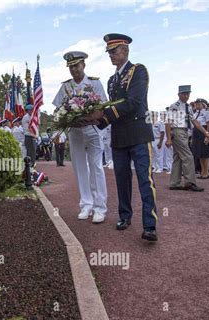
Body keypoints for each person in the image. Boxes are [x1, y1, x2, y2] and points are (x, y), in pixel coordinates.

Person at [85, 33, 158, 241]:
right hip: (119, 137)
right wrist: (93, 120)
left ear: (125, 51)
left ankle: (150, 225)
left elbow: (133, 101)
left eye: (114, 51)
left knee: (145, 180)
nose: (111, 56)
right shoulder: (111, 81)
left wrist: (103, 115)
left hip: (138, 133)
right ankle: (125, 216)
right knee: (122, 180)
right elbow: (110, 110)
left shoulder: (139, 71)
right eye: (108, 52)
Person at [52, 50, 108, 224]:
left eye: (77, 65)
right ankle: (86, 204)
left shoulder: (95, 83)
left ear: (84, 64)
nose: (74, 70)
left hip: (92, 130)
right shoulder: (65, 87)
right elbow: (58, 111)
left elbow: (102, 107)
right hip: (75, 132)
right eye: (71, 67)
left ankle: (100, 207)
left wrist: (89, 118)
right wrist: (71, 121)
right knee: (79, 168)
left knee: (96, 167)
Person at [165, 85, 209, 192]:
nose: (186, 96)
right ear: (179, 94)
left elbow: (195, 121)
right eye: (184, 94)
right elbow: (168, 122)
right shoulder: (174, 106)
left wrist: (206, 132)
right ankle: (190, 182)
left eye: (188, 94)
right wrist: (168, 138)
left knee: (178, 158)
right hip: (177, 131)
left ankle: (174, 183)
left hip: (185, 132)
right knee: (188, 156)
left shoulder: (189, 107)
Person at [192, 98, 209, 179]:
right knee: (200, 153)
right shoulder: (195, 113)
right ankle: (202, 171)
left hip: (203, 132)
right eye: (196, 104)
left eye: (199, 104)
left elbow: (208, 124)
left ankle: (206, 172)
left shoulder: (207, 112)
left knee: (205, 153)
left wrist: (207, 135)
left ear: (203, 104)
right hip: (196, 133)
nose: (197, 105)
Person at [163, 107, 173, 174]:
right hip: (167, 138)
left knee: (172, 156)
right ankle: (170, 168)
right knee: (168, 155)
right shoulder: (166, 121)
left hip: (173, 139)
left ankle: (172, 169)